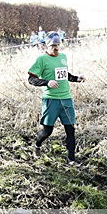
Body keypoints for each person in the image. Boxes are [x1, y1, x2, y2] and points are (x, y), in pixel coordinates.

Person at [28, 32, 85, 165]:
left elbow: (64, 75)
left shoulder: (63, 57)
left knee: (70, 130)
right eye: (53, 45)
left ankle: (71, 160)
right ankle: (37, 145)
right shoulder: (41, 60)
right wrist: (47, 82)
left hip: (66, 99)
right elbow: (31, 79)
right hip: (51, 100)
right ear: (46, 46)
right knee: (48, 131)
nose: (56, 48)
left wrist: (77, 78)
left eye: (58, 45)